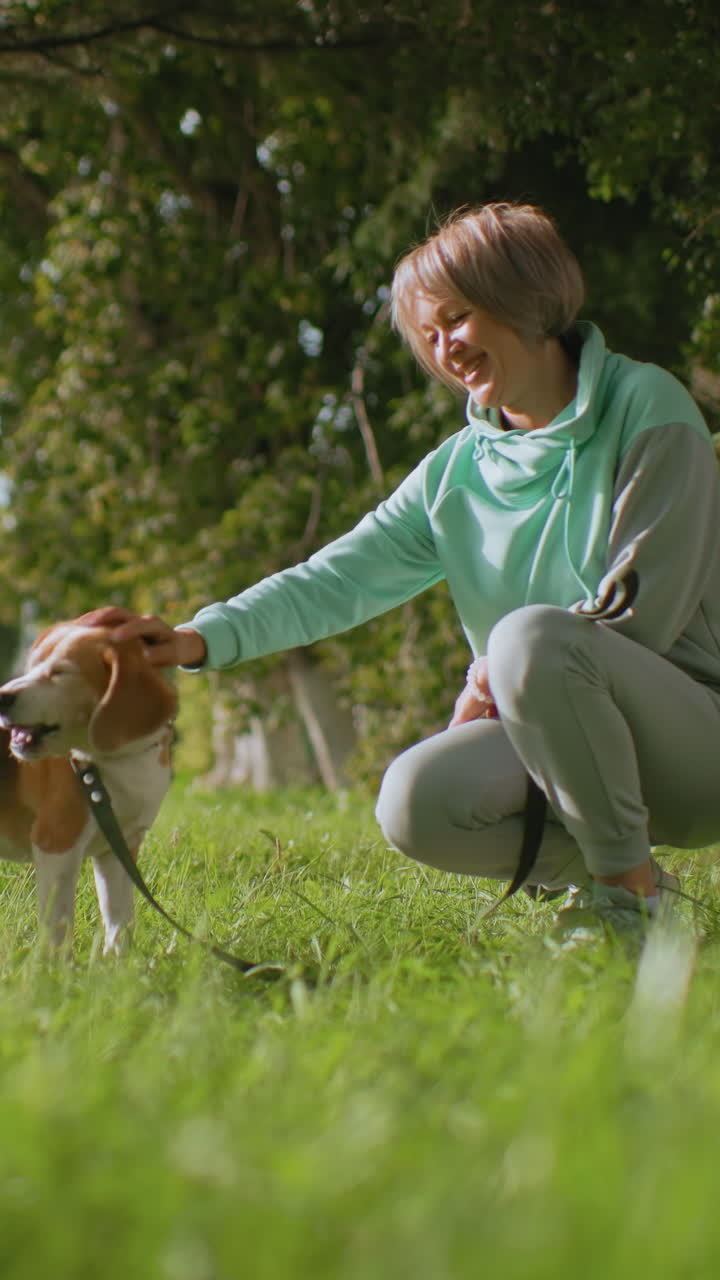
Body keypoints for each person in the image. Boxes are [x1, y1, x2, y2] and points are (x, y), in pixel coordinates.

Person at [108, 202, 720, 941]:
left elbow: (642, 612)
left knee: (525, 640)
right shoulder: (455, 473)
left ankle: (632, 912)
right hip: (561, 738)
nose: (445, 349)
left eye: (457, 319)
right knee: (416, 799)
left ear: (522, 296)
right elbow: (337, 578)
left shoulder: (647, 407)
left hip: (693, 743)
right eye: (428, 337)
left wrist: (499, 675)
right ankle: (638, 885)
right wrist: (198, 638)